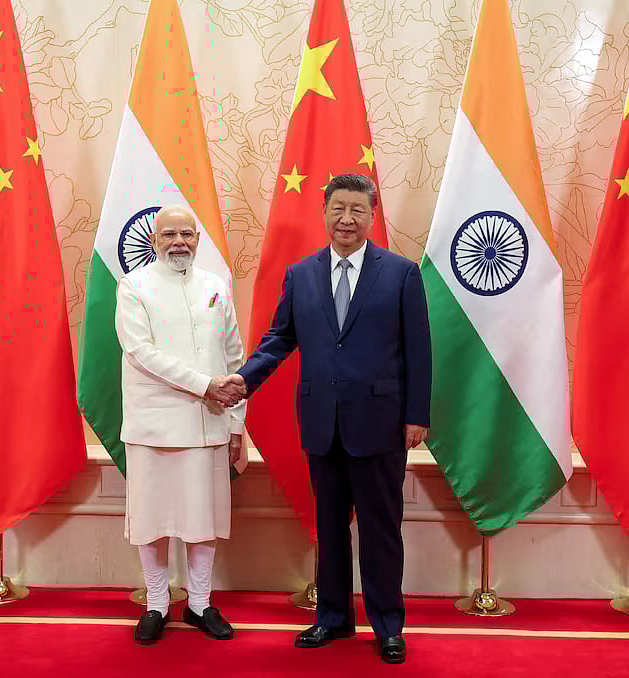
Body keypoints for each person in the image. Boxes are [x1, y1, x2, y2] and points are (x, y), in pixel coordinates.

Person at [234, 174, 431, 664]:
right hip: (322, 422)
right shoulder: (300, 275)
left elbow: (419, 352)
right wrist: (243, 379)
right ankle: (332, 618)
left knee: (382, 529)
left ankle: (388, 625)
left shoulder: (402, 273)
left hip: (382, 423)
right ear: (324, 214)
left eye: (357, 211)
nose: (347, 219)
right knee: (329, 526)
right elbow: (280, 339)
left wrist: (417, 416)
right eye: (338, 209)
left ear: (371, 216)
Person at [115, 205, 246, 645]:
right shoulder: (134, 285)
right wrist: (205, 385)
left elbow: (234, 358)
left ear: (197, 239)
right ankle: (155, 604)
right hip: (152, 425)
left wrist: (237, 423)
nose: (179, 242)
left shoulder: (215, 285)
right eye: (169, 234)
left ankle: (199, 603)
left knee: (202, 520)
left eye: (187, 234)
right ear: (154, 239)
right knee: (152, 521)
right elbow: (140, 352)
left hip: (208, 425)